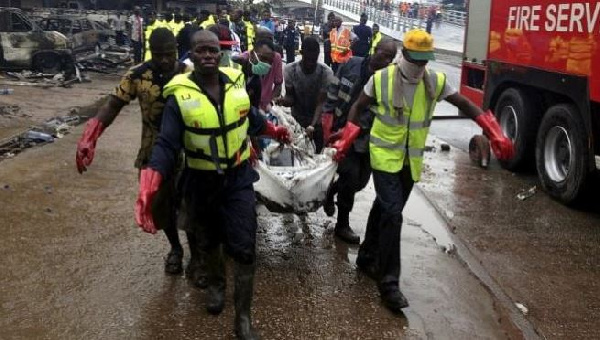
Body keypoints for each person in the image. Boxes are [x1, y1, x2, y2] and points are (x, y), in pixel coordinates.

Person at [331, 29, 514, 313]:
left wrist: (493, 130)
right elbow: (357, 107)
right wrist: (347, 137)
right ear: (404, 55)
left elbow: (464, 103)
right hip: (383, 156)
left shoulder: (433, 82)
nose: (419, 66)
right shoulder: (381, 79)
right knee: (393, 214)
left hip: (410, 161)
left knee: (384, 209)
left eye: (424, 61)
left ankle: (367, 256)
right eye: (415, 59)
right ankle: (389, 284)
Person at [135, 30, 292, 340]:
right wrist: (151, 179)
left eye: (211, 50)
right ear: (191, 56)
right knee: (209, 241)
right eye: (200, 51)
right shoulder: (179, 96)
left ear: (220, 53)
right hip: (200, 180)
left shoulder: (236, 83)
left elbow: (252, 119)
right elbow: (167, 144)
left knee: (245, 248)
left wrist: (275, 131)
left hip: (237, 178)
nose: (207, 55)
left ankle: (243, 320)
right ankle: (217, 286)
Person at [75, 28, 197, 279]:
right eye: (158, 55)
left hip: (189, 149)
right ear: (150, 51)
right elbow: (113, 105)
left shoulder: (189, 73)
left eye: (169, 54)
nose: (164, 60)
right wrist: (91, 135)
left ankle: (197, 257)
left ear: (176, 50)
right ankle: (175, 249)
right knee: (160, 206)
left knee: (191, 205)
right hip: (153, 150)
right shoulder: (137, 75)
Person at [319, 38, 398, 244]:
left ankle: (330, 192)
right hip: (342, 131)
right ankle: (342, 225)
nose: (387, 60)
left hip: (366, 136)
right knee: (350, 176)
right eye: (385, 54)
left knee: (360, 182)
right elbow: (333, 91)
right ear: (375, 50)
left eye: (391, 57)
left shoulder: (387, 80)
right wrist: (327, 119)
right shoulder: (350, 64)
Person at [275, 37, 334, 153]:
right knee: (296, 151)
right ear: (302, 53)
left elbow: (321, 102)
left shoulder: (325, 73)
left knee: (318, 151)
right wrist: (282, 101)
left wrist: (312, 125)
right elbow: (291, 98)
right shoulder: (290, 70)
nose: (311, 63)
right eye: (308, 58)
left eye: (314, 59)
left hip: (318, 121)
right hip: (297, 119)